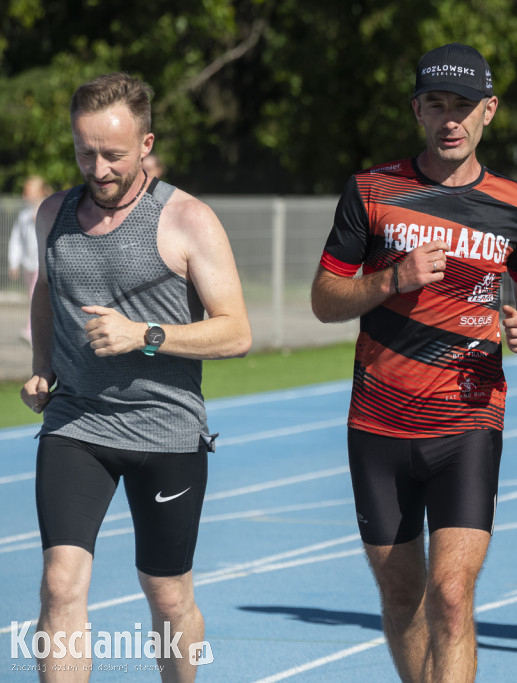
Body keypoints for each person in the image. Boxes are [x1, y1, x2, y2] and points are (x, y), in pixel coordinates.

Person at [310, 43, 517, 683]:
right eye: (437, 104)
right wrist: (390, 278)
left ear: (489, 112)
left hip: (469, 420)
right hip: (379, 424)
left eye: (464, 106)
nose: (452, 119)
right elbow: (324, 300)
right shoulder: (370, 192)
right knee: (400, 595)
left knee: (450, 596)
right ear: (418, 110)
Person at [20, 72, 251, 681]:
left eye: (113, 155)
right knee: (59, 583)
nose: (97, 168)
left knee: (168, 594)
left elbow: (236, 332)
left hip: (166, 431)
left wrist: (144, 335)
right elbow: (47, 293)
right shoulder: (54, 214)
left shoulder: (187, 220)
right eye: (84, 151)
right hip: (77, 422)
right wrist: (42, 367)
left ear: (145, 144)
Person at [8, 175, 50, 343]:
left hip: (42, 263)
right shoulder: (24, 215)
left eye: (29, 192)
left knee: (36, 296)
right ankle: (36, 329)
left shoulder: (48, 209)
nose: (26, 196)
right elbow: (16, 239)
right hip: (28, 263)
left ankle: (31, 331)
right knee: (31, 297)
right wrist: (13, 262)